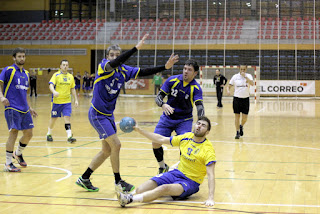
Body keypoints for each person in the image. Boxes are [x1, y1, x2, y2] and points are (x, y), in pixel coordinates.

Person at [75, 34, 179, 193]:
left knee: (106, 150)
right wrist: (135, 48)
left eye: (117, 55)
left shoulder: (124, 70)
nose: (115, 57)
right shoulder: (104, 66)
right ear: (107, 57)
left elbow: (144, 71)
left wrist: (164, 67)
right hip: (97, 114)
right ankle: (118, 182)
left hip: (108, 115)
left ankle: (85, 178)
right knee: (116, 144)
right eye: (112, 55)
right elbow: (116, 63)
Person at [117, 116, 216, 207]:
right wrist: (139, 130)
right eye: (198, 123)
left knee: (164, 188)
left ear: (207, 132)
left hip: (190, 181)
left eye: (203, 126)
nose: (199, 126)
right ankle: (133, 196)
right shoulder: (186, 137)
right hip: (176, 173)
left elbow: (211, 175)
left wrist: (210, 198)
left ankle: (129, 199)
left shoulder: (208, 150)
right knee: (140, 189)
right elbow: (161, 139)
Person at [152, 59, 205, 174]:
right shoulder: (172, 80)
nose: (186, 71)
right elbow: (158, 97)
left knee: (184, 143)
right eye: (185, 68)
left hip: (184, 120)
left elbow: (200, 107)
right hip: (167, 117)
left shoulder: (196, 88)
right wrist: (163, 104)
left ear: (195, 73)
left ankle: (182, 169)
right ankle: (162, 166)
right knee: (155, 142)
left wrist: (200, 122)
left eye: (189, 70)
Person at [0, 47, 38, 172]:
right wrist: (1, 97)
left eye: (23, 56)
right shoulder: (8, 70)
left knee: (29, 134)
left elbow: (24, 93)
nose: (22, 58)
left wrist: (30, 107)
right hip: (11, 106)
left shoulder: (26, 74)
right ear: (14, 58)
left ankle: (18, 153)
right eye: (19, 56)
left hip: (24, 108)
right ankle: (8, 163)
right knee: (14, 132)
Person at [46, 60, 79, 143]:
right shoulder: (56, 75)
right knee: (53, 119)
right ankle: (49, 133)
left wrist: (76, 99)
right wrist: (54, 92)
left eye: (67, 65)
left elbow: (73, 88)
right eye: (63, 65)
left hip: (67, 102)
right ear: (60, 66)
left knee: (67, 117)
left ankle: (69, 136)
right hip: (56, 102)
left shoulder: (71, 76)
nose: (65, 66)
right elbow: (51, 85)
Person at [227, 65, 254, 139]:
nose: (242, 70)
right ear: (239, 69)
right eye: (241, 69)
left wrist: (245, 77)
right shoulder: (235, 76)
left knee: (245, 118)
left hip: (245, 99)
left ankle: (241, 125)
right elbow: (229, 85)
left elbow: (252, 83)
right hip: (237, 99)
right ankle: (237, 132)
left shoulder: (249, 76)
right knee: (237, 116)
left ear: (246, 69)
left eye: (244, 69)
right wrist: (228, 90)